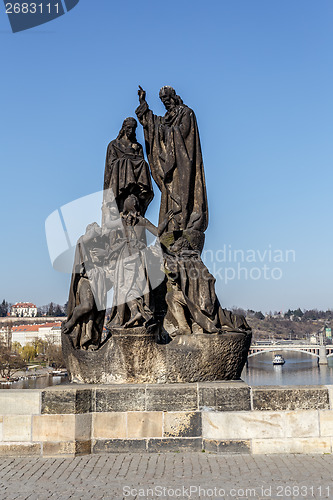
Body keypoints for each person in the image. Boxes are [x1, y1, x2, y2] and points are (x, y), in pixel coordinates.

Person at [136, 86, 208, 234]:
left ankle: (182, 224)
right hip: (171, 164)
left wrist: (166, 132)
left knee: (181, 194)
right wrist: (143, 102)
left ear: (173, 96)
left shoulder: (186, 112)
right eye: (162, 100)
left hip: (182, 163)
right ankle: (171, 227)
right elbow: (153, 123)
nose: (165, 102)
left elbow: (183, 132)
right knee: (169, 193)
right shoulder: (168, 117)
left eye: (166, 98)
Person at [103, 117, 153, 219]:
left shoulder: (137, 146)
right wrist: (127, 156)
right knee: (126, 163)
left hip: (135, 183)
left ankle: (141, 191)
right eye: (129, 128)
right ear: (124, 128)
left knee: (143, 164)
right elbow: (112, 165)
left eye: (133, 128)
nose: (131, 131)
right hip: (119, 181)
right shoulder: (113, 145)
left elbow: (140, 162)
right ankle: (122, 200)